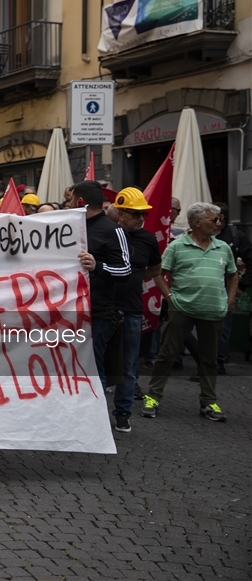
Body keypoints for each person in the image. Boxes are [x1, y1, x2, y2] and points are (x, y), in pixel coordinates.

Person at [144, 203, 238, 422]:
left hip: (213, 310)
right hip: (182, 308)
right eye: (214, 220)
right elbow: (158, 273)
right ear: (197, 223)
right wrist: (169, 298)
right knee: (167, 355)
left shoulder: (222, 247)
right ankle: (153, 397)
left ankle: (208, 402)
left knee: (210, 360)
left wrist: (230, 299)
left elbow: (233, 275)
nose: (218, 223)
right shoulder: (177, 247)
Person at [107, 188, 161, 433]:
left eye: (143, 214)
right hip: (103, 309)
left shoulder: (148, 239)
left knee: (128, 366)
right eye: (134, 213)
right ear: (120, 214)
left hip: (131, 309)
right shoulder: (107, 234)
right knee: (96, 362)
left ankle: (122, 413)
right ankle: (94, 412)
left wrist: (134, 277)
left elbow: (154, 270)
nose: (141, 218)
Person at [73, 180, 132, 392]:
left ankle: (98, 422)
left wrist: (98, 266)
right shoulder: (68, 228)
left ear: (80, 201)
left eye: (70, 200)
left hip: (98, 315)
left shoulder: (113, 230)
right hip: (68, 314)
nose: (67, 205)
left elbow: (125, 270)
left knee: (94, 371)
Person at [213, 203, 251, 373]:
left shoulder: (236, 236)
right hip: (202, 287)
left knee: (223, 326)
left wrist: (242, 286)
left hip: (225, 288)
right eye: (214, 219)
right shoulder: (200, 234)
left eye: (221, 219)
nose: (218, 223)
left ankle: (219, 361)